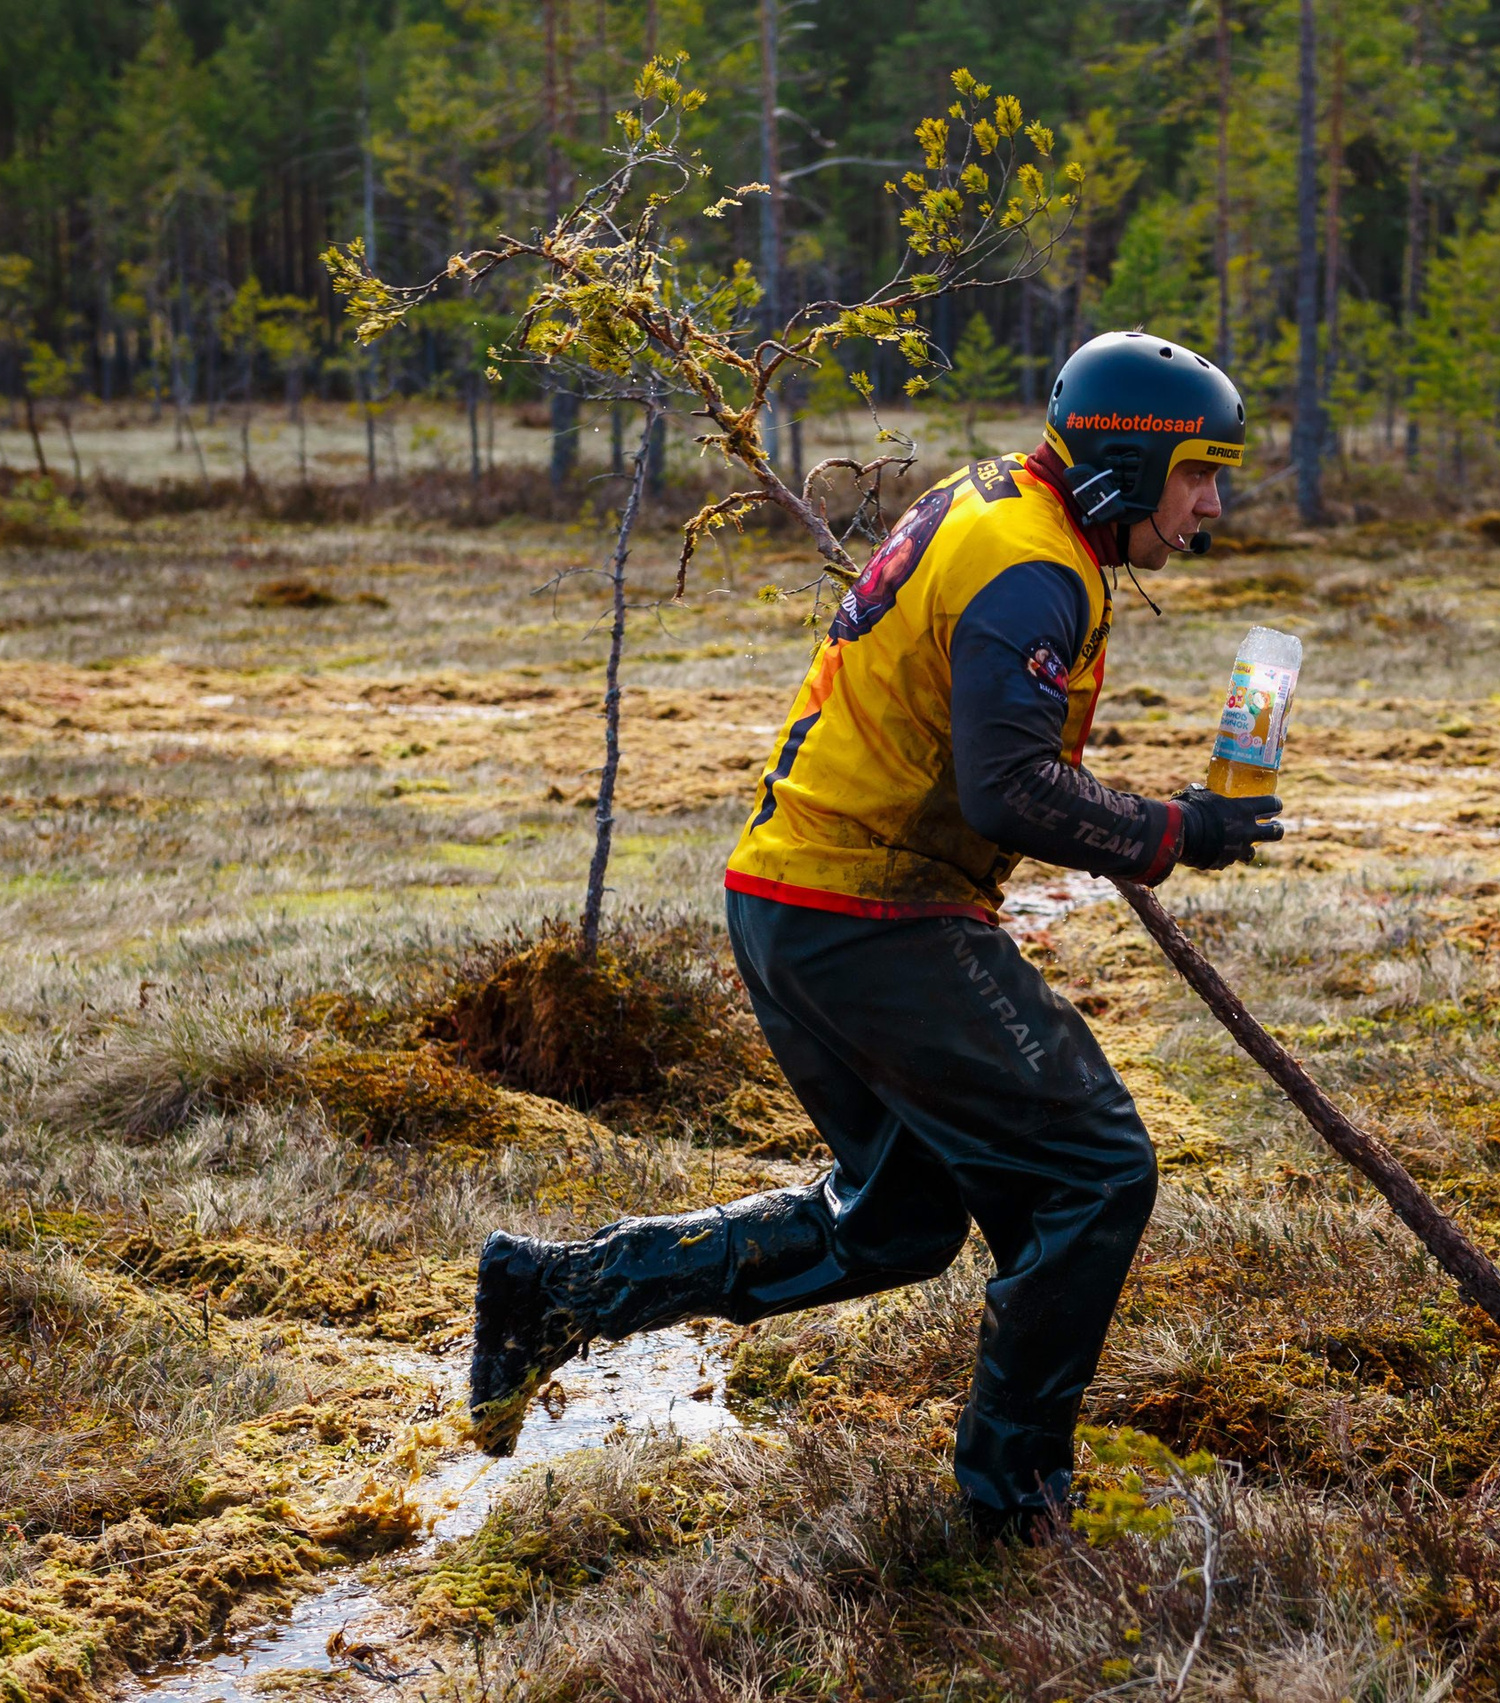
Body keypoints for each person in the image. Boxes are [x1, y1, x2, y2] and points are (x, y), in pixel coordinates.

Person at [467, 332, 1287, 1540]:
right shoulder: (1029, 565)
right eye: (1200, 473)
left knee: (895, 1221)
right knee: (1096, 1170)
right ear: (1124, 458)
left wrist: (1135, 812)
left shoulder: (1003, 509)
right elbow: (1011, 790)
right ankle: (1013, 1505)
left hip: (792, 895)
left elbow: (982, 737)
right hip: (870, 912)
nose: (1214, 503)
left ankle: (552, 1289)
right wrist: (1174, 830)